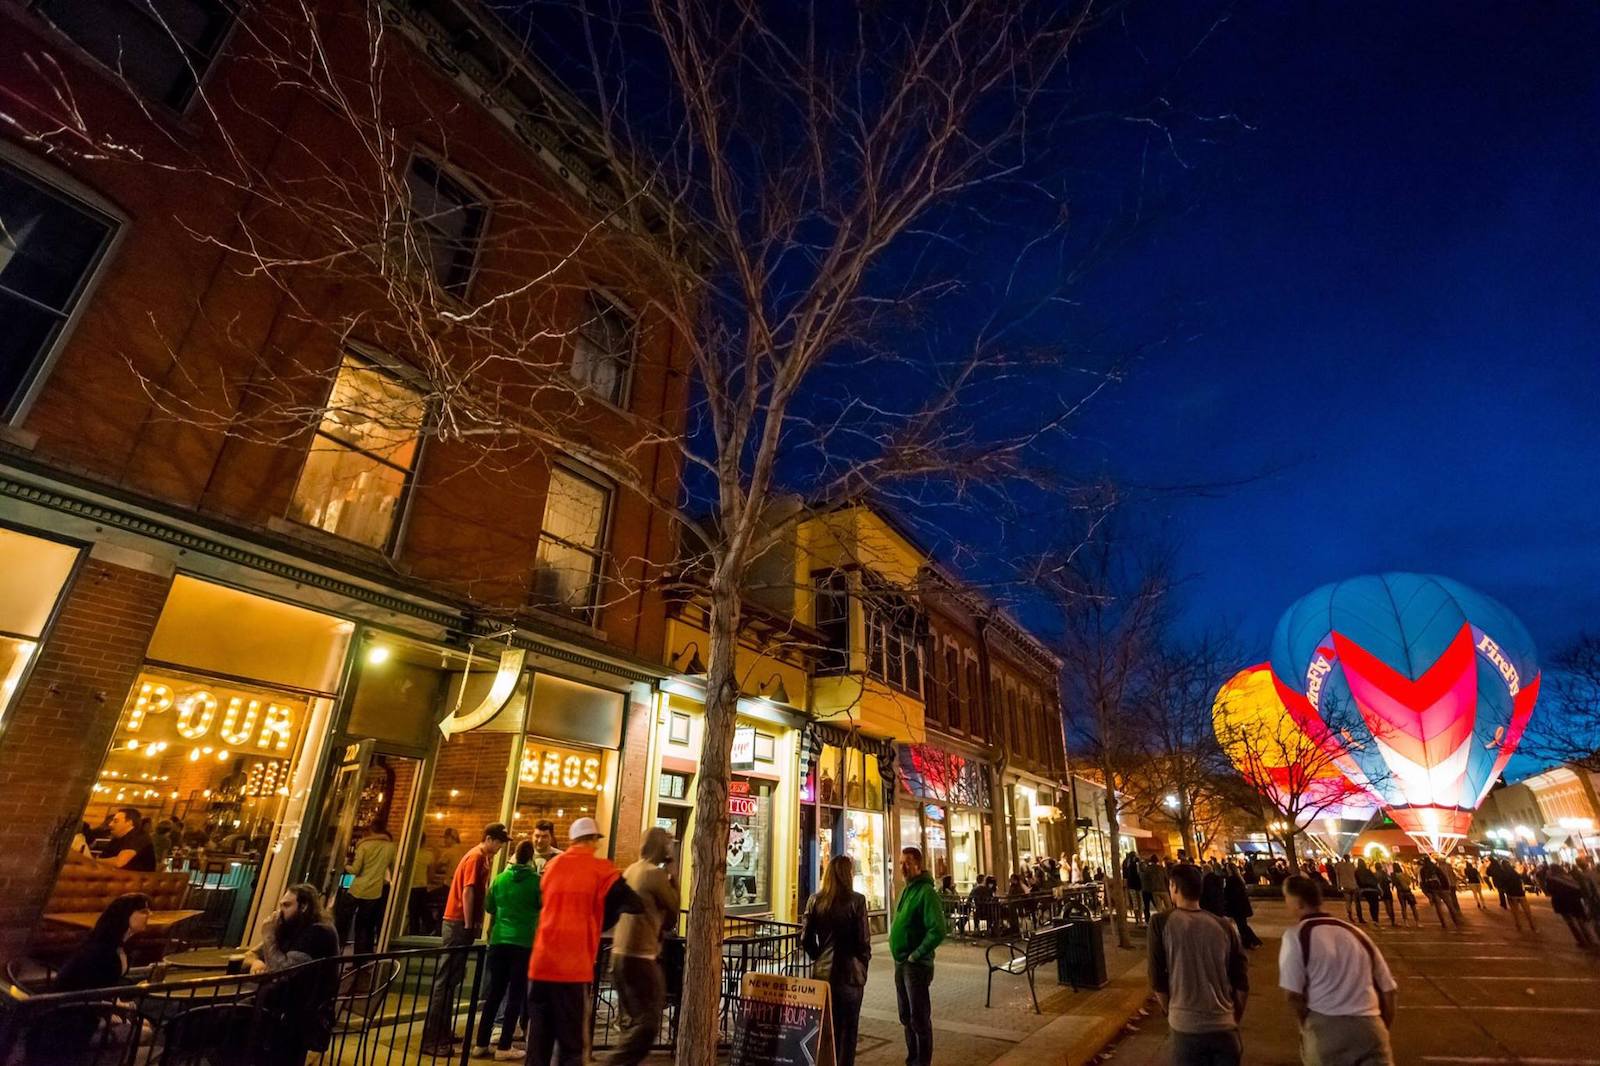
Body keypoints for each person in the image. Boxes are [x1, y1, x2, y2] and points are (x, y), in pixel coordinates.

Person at [526, 817, 642, 1066]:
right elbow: (633, 902)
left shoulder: (553, 867)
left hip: (540, 965)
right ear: (592, 840)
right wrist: (600, 920)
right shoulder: (600, 870)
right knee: (572, 1047)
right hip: (572, 968)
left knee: (538, 1046)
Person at [1279, 875, 1397, 1066]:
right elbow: (1389, 990)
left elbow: (1293, 995)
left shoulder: (1297, 936)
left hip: (1326, 1028)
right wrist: (1381, 1026)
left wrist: (1306, 1025)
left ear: (1298, 902)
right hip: (1370, 1025)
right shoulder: (1356, 934)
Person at [422, 823, 510, 1055]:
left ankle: (443, 1032)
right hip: (458, 922)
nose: (501, 846)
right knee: (445, 979)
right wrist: (471, 923)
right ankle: (432, 1039)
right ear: (489, 838)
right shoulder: (476, 857)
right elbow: (468, 891)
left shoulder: (480, 857)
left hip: (458, 922)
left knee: (451, 979)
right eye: (499, 841)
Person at [1148, 863, 1248, 1065]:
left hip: (1185, 1028)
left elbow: (1157, 978)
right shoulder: (1224, 926)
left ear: (1174, 887)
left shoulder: (1160, 923)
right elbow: (1241, 982)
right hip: (1225, 1027)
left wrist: (1172, 1011)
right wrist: (1233, 1017)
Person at [245, 884, 342, 1066]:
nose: (280, 911)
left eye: (287, 905)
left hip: (297, 1016)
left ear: (304, 906)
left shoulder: (318, 933)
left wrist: (268, 935)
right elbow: (250, 954)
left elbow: (283, 972)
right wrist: (257, 962)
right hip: (279, 1007)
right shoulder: (290, 927)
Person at [607, 827, 680, 1066]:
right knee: (648, 1024)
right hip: (641, 956)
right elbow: (673, 912)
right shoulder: (654, 875)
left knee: (633, 1020)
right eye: (668, 843)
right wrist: (673, 873)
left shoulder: (630, 870)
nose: (671, 848)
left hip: (619, 954)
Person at [472, 839, 542, 1060]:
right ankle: (504, 1046)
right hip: (523, 943)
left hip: (499, 941)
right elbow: (543, 906)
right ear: (531, 858)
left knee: (494, 993)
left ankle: (480, 1043)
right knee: (515, 995)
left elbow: (489, 906)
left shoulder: (500, 879)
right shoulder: (536, 882)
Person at [803, 854, 872, 1066]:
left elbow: (805, 938)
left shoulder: (816, 900)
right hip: (850, 974)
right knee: (848, 1031)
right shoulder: (857, 901)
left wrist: (819, 957)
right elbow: (863, 940)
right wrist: (861, 963)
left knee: (825, 1029)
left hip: (824, 975)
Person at [888, 846, 945, 1066]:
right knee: (905, 1015)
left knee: (919, 1018)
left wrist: (917, 954)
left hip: (916, 965)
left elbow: (938, 929)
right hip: (901, 963)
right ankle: (912, 1058)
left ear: (918, 865)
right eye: (901, 862)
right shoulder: (905, 890)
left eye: (908, 862)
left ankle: (922, 1062)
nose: (902, 866)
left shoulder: (926, 892)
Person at [56, 893, 152, 992]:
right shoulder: (100, 949)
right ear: (125, 914)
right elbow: (93, 988)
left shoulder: (120, 944)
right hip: (79, 1003)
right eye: (143, 911)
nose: (149, 914)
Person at [341, 826, 396, 955]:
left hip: (357, 889)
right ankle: (362, 958)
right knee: (365, 925)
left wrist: (344, 864)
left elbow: (355, 870)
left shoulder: (364, 845)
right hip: (375, 891)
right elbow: (392, 869)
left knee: (345, 921)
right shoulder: (391, 847)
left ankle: (339, 952)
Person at [1545, 863, 1593, 949]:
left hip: (1562, 903)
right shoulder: (1569, 877)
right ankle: (1590, 939)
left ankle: (1581, 941)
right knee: (1581, 921)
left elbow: (1549, 891)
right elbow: (1578, 889)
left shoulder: (1551, 879)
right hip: (1575, 902)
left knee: (1571, 922)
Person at [96, 807, 157, 871]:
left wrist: (95, 860)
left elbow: (119, 863)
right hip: (116, 877)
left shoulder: (139, 836)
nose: (110, 824)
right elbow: (103, 858)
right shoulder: (117, 838)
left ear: (129, 822)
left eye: (115, 821)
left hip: (137, 879)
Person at [1222, 862, 1261, 949]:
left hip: (1237, 907)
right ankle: (1248, 941)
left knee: (1242, 926)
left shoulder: (1232, 880)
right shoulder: (1238, 879)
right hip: (1241, 906)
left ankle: (1253, 941)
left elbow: (1229, 893)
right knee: (1242, 925)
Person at [1418, 856, 1461, 930]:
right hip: (1442, 888)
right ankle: (1455, 921)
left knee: (1438, 908)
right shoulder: (1435, 867)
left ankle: (1443, 923)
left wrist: (1427, 893)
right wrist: (1447, 887)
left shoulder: (1422, 870)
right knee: (1450, 905)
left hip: (1433, 890)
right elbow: (1443, 877)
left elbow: (1423, 882)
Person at [1390, 862, 1420, 927]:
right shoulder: (1403, 874)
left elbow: (1394, 883)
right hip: (1408, 891)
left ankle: (1406, 922)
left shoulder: (1393, 875)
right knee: (1413, 907)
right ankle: (1417, 922)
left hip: (1400, 892)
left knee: (1403, 907)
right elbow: (1409, 882)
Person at [1333, 856, 1361, 924]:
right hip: (1353, 885)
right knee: (1356, 902)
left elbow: (1337, 876)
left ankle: (1350, 915)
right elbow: (1356, 875)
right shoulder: (1352, 865)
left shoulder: (1339, 866)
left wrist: (1338, 885)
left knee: (1348, 901)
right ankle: (1359, 917)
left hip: (1345, 885)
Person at [1354, 859, 1381, 925]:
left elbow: (1357, 881)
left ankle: (1370, 918)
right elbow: (1374, 879)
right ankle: (1375, 919)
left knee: (1370, 904)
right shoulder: (1368, 871)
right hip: (1373, 889)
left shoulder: (1357, 872)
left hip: (1365, 889)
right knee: (1375, 904)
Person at [1123, 852, 1147, 925]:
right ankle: (1140, 919)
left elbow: (1125, 875)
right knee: (1140, 902)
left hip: (1131, 885)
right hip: (1138, 885)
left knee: (1135, 902)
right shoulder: (1137, 864)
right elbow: (1143, 871)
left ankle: (1137, 919)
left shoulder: (1127, 864)